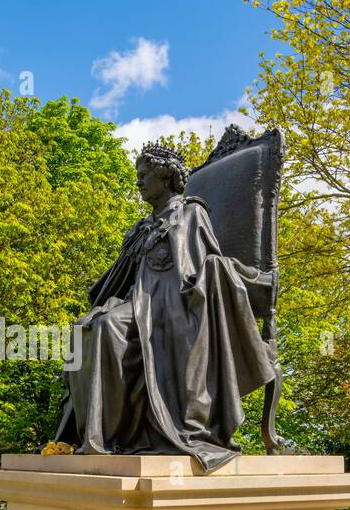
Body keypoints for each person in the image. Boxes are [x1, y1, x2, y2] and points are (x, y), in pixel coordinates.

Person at [51, 143, 275, 472]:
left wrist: (174, 300)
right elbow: (121, 278)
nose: (138, 182)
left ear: (165, 175)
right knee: (85, 327)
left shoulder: (190, 213)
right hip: (140, 303)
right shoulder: (143, 227)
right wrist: (109, 302)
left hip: (178, 307)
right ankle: (102, 437)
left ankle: (109, 438)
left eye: (144, 175)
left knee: (107, 328)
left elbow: (196, 269)